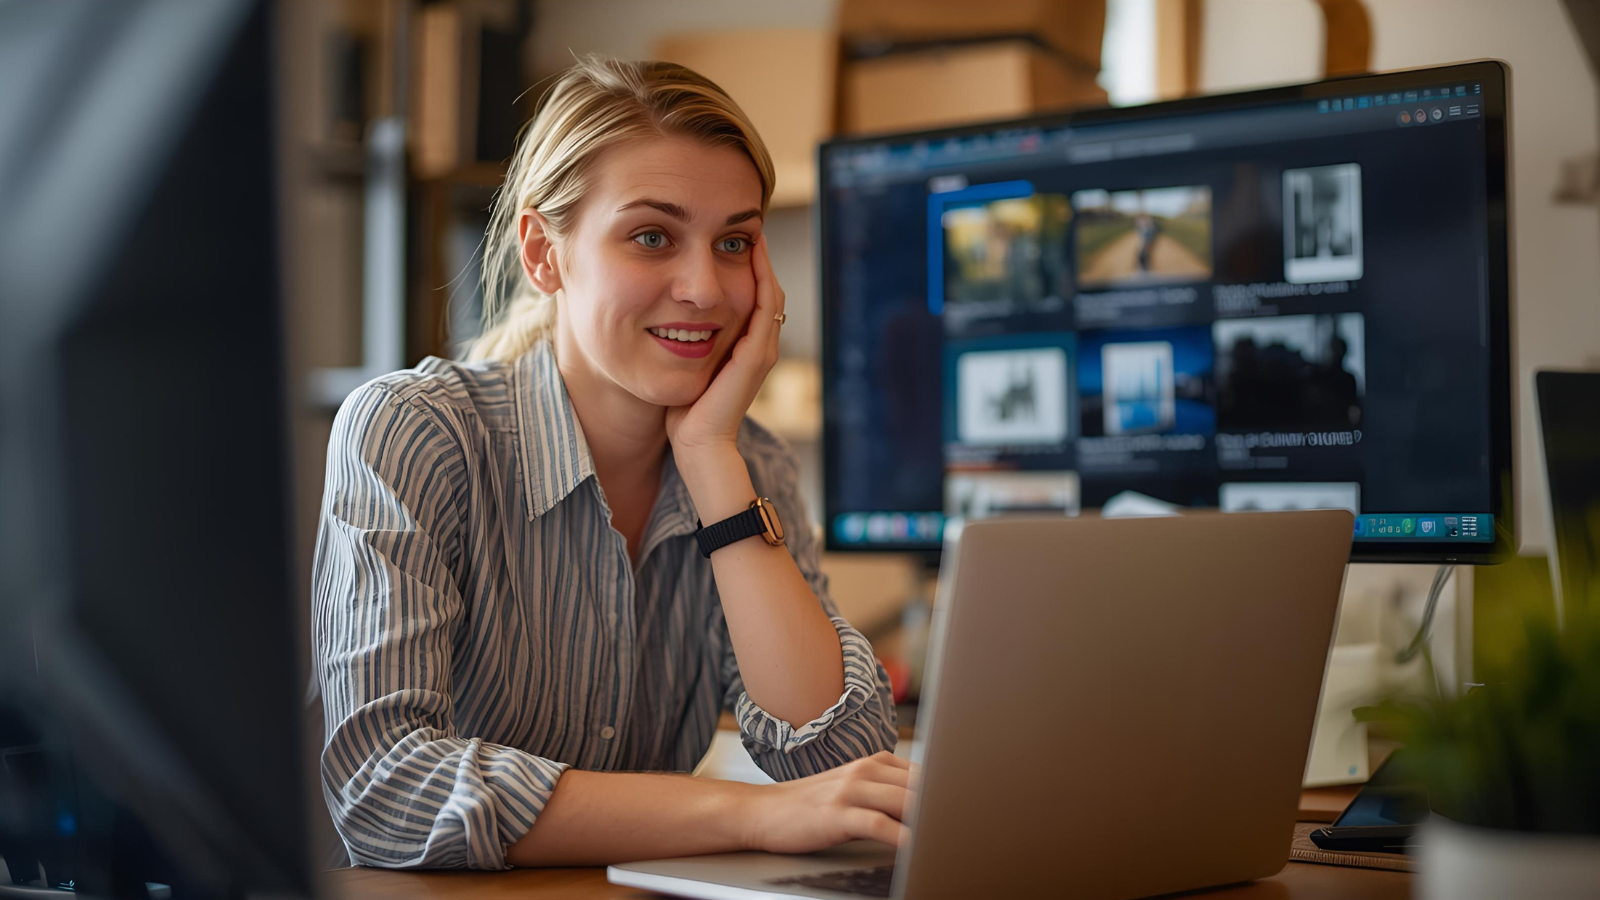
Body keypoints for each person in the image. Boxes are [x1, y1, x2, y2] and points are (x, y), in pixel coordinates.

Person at [310, 56, 905, 871]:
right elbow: (385, 790)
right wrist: (752, 815)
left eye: (734, 242)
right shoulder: (417, 432)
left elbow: (842, 768)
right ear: (543, 253)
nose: (705, 288)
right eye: (652, 236)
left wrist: (710, 458)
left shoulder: (750, 466)